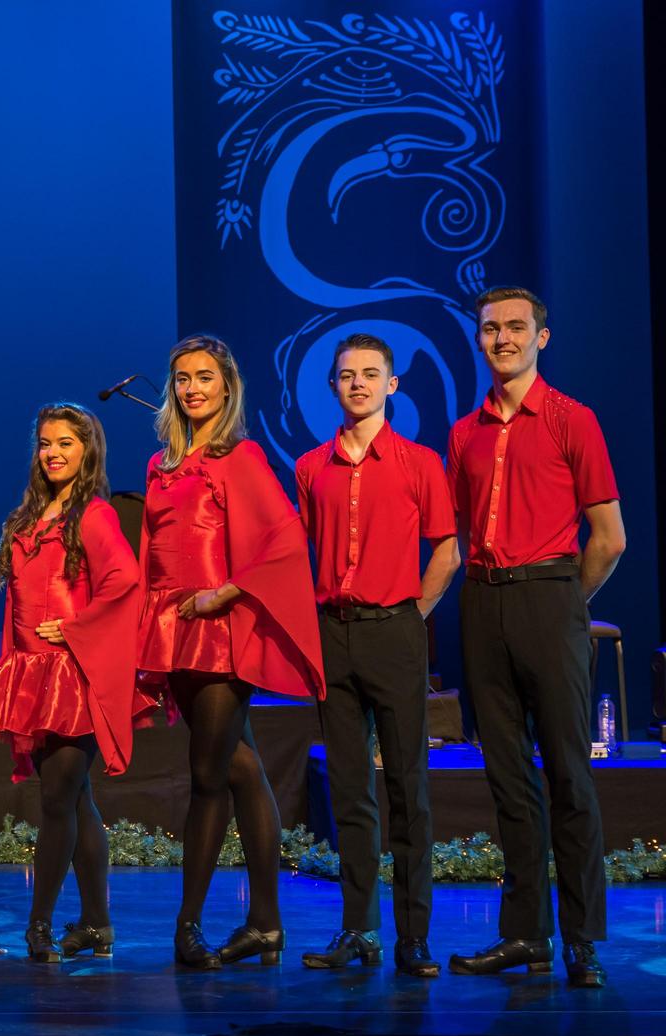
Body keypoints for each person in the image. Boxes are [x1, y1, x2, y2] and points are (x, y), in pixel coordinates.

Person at [445, 288, 624, 989]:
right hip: (483, 601)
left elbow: (609, 538)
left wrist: (563, 605)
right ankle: (525, 934)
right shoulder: (465, 432)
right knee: (508, 780)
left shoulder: (572, 419)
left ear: (542, 337)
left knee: (569, 776)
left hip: (550, 595)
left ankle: (582, 939)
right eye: (490, 328)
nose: (502, 338)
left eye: (516, 327)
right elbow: (460, 534)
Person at [135, 335, 323, 970]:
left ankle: (186, 926)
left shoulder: (240, 457)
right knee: (241, 767)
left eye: (205, 377)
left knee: (209, 775)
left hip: (215, 632)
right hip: (171, 628)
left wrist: (224, 593)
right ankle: (266, 925)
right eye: (183, 377)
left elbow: (285, 538)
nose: (192, 388)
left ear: (227, 386)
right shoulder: (162, 466)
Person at [293, 334, 458, 979]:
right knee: (351, 791)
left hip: (395, 629)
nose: (357, 383)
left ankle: (413, 937)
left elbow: (446, 550)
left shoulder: (420, 463)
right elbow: (297, 550)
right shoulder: (311, 467)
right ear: (333, 386)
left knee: (407, 787)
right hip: (334, 631)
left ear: (392, 384)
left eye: (370, 374)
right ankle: (358, 930)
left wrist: (410, 614)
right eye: (345, 375)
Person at [0, 403, 141, 963]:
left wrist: (75, 628)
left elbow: (125, 581)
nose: (53, 452)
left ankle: (39, 923)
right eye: (45, 442)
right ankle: (97, 924)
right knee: (78, 801)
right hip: (33, 676)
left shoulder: (93, 515)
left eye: (66, 442)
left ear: (87, 450)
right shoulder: (31, 517)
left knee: (57, 801)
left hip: (73, 677)